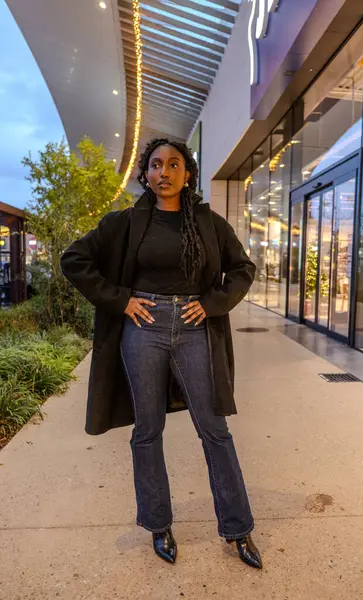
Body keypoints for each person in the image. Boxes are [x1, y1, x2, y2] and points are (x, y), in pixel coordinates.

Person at [60, 138, 262, 569]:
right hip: (143, 328)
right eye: (155, 165)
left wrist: (211, 303)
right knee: (147, 431)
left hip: (194, 329)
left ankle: (238, 528)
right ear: (146, 174)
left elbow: (244, 268)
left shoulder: (208, 222)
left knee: (214, 429)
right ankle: (158, 524)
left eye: (174, 165)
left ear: (187, 173)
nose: (164, 172)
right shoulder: (126, 222)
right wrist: (120, 300)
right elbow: (74, 258)